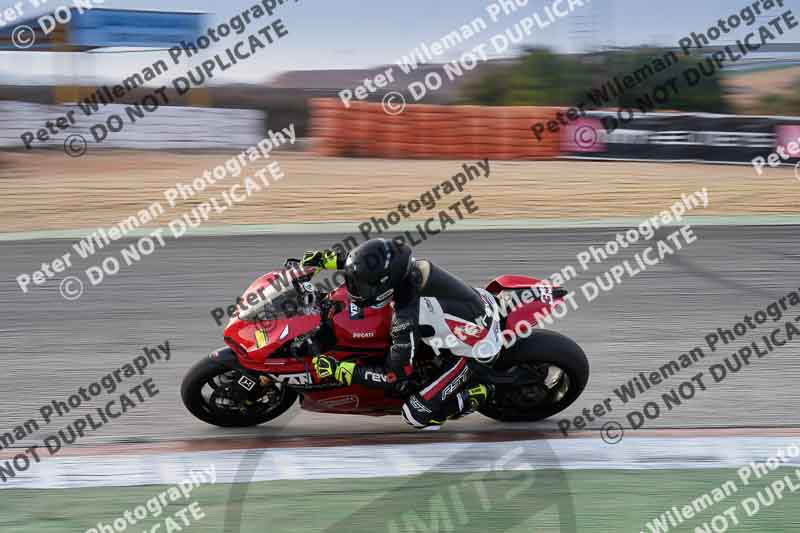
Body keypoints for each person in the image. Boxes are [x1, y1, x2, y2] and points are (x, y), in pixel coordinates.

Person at [299, 238, 501, 429]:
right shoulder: (403, 269)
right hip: (471, 310)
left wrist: (341, 370)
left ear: (385, 287)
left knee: (416, 413)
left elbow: (394, 376)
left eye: (363, 286)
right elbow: (371, 262)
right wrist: (326, 259)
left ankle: (477, 393)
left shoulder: (405, 318)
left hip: (476, 350)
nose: (356, 289)